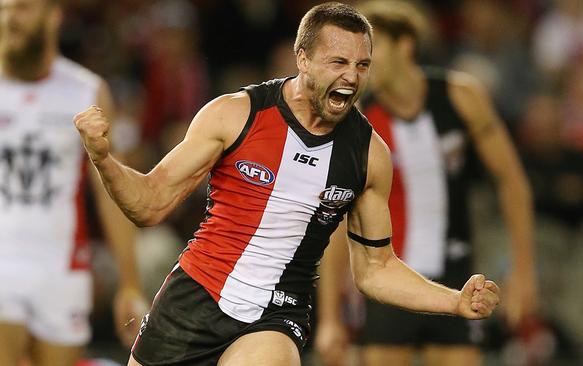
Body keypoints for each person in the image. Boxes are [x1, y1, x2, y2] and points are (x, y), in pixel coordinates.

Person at [73, 2, 501, 366]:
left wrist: (454, 301)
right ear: (302, 58)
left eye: (362, 65)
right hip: (194, 297)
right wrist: (104, 158)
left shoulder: (368, 155)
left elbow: (375, 270)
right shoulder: (235, 114)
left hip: (276, 318)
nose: (351, 77)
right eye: (338, 62)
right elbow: (147, 205)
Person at [314, 1, 537, 366]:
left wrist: (524, 272)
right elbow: (338, 217)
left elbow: (512, 182)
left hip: (455, 274)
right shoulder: (357, 121)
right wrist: (330, 318)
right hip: (387, 280)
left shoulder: (461, 97)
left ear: (406, 46)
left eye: (373, 47)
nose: (362, 62)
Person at [0, 0, 148, 365]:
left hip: (62, 268)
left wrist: (129, 283)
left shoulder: (85, 91)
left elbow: (108, 191)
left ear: (53, 17)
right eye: (2, 10)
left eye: (21, 9)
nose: (8, 20)